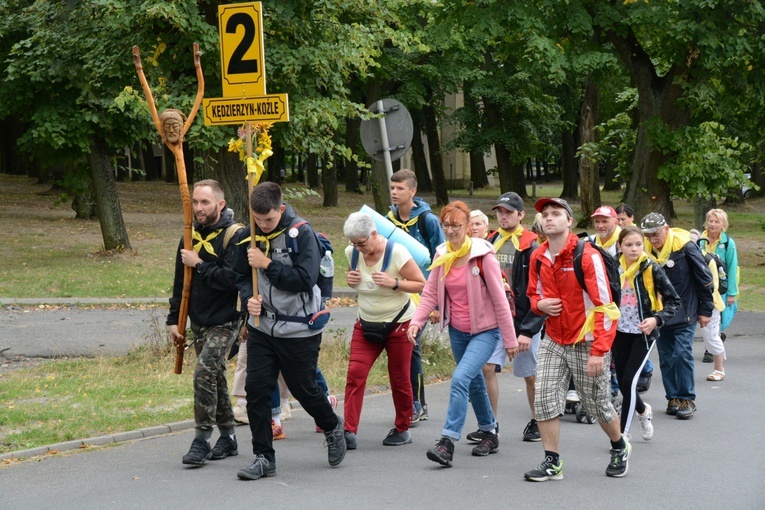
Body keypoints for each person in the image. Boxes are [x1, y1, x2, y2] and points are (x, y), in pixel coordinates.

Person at [232, 182, 345, 481]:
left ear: (281, 209)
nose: (263, 225)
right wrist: (248, 300)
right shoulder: (249, 236)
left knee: (304, 388)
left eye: (268, 219)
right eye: (258, 219)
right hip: (263, 328)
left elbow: (304, 279)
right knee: (256, 390)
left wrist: (267, 263)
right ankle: (263, 458)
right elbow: (241, 276)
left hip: (299, 328)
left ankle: (332, 426)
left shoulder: (301, 234)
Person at [524, 197, 630, 481]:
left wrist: (599, 351)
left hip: (587, 342)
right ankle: (552, 462)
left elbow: (607, 307)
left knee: (597, 404)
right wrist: (540, 305)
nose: (549, 218)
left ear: (569, 221)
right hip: (553, 340)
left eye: (556, 214)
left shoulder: (587, 255)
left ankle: (619, 446)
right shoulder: (538, 256)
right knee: (545, 400)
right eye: (545, 214)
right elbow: (533, 295)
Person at [408, 201, 519, 467]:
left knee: (459, 379)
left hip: (486, 332)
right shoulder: (442, 254)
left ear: (468, 227)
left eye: (456, 225)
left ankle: (447, 441)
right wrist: (416, 321)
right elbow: (430, 294)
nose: (450, 230)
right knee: (473, 382)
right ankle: (490, 431)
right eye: (446, 225)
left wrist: (510, 339)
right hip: (458, 331)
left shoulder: (483, 256)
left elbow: (500, 300)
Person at [168, 180, 243, 467]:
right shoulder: (187, 236)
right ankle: (228, 438)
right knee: (214, 376)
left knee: (202, 373)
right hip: (198, 319)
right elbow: (180, 283)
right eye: (195, 202)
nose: (198, 208)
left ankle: (201, 439)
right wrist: (175, 320)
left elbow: (231, 280)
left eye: (205, 203)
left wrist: (199, 263)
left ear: (220, 204)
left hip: (226, 320)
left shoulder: (235, 236)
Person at [343, 212, 426, 449]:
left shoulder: (396, 252)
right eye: (354, 243)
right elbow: (358, 282)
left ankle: (402, 428)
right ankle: (348, 430)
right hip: (366, 323)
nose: (358, 248)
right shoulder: (352, 253)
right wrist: (350, 280)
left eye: (362, 243)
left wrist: (395, 283)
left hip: (399, 324)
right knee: (355, 375)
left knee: (399, 378)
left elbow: (421, 284)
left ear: (374, 235)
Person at [467, 192, 543, 443]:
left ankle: (536, 420)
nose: (503, 216)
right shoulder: (488, 242)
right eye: (499, 212)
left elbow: (539, 291)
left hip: (523, 321)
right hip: (495, 319)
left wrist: (529, 329)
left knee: (530, 374)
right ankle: (490, 425)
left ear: (521, 215)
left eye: (509, 212)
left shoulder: (532, 245)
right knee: (487, 367)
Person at [640, 212, 714, 420]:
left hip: (686, 309)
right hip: (660, 314)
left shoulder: (685, 247)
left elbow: (705, 279)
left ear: (666, 229)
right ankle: (673, 397)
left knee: (681, 353)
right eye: (648, 236)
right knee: (666, 357)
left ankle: (687, 398)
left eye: (656, 234)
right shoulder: (646, 251)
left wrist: (705, 310)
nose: (652, 239)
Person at [613, 226, 681, 442]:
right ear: (620, 246)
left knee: (630, 381)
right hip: (618, 331)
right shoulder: (613, 266)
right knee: (624, 383)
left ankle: (621, 436)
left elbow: (675, 300)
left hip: (643, 333)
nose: (634, 249)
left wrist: (656, 319)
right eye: (629, 245)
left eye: (638, 244)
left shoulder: (651, 267)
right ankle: (643, 411)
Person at [387, 169, 445, 424]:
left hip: (422, 294)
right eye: (392, 188)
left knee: (411, 348)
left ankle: (417, 403)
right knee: (397, 350)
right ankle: (405, 403)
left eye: (400, 189)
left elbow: (441, 260)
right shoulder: (387, 219)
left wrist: (436, 305)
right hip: (396, 290)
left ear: (412, 191)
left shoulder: (427, 221)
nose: (395, 193)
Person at [698, 208, 739, 374]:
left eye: (717, 221)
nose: (713, 224)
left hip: (720, 286)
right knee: (707, 319)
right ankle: (713, 345)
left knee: (718, 317)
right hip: (704, 285)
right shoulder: (700, 241)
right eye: (710, 221)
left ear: (723, 224)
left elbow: (732, 266)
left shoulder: (728, 242)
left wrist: (732, 293)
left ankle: (714, 349)